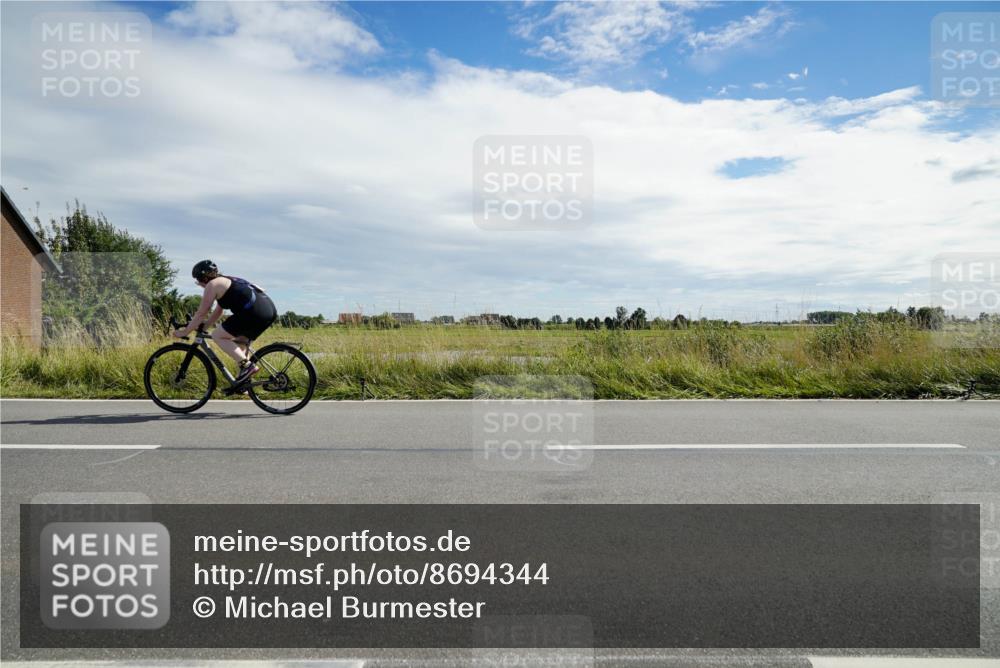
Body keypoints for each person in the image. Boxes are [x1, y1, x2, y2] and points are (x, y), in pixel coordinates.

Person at [173, 260, 278, 387]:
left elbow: (201, 313)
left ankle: (248, 366)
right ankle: (244, 385)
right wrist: (204, 326)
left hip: (253, 313)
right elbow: (219, 311)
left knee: (218, 335)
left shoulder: (212, 285)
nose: (199, 285)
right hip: (267, 310)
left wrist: (185, 331)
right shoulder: (224, 281)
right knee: (240, 345)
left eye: (198, 281)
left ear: (204, 278)